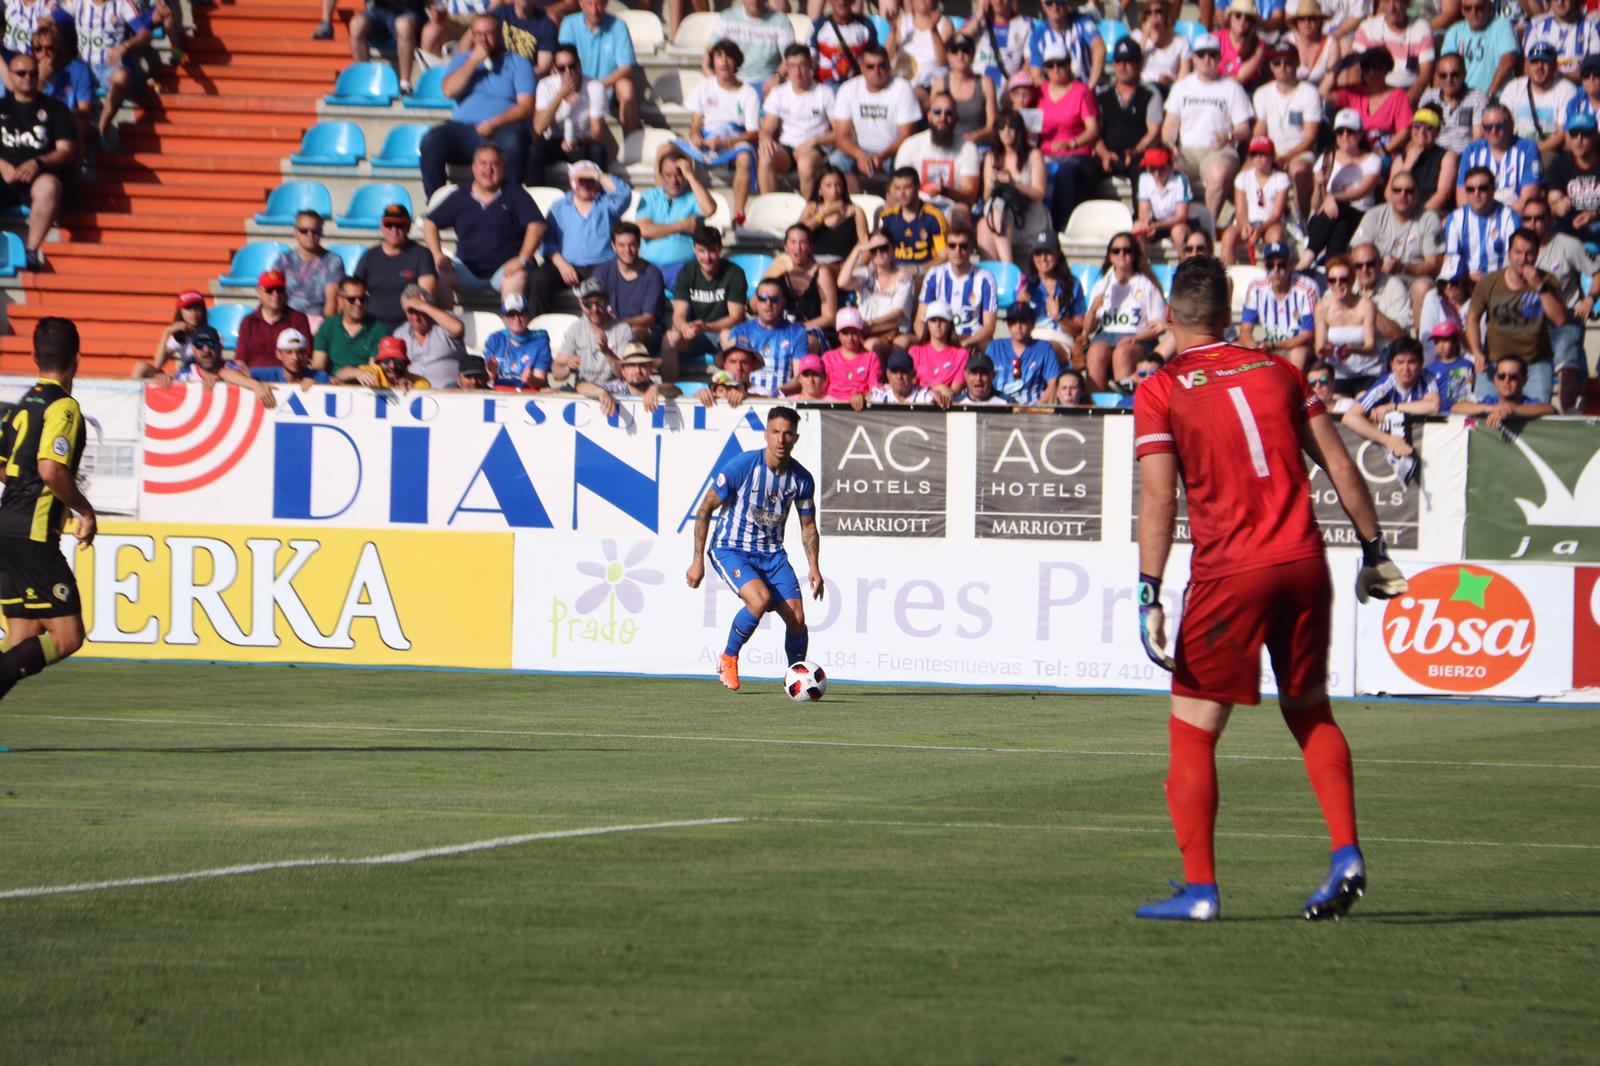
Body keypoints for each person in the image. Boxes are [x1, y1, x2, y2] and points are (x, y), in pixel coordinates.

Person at [1131, 253, 1407, 923]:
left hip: (1233, 571)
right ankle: (1345, 852)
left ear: (1171, 316)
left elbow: (1160, 499)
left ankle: (1200, 891)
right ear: (1230, 315)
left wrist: (1149, 590)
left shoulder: (1161, 387)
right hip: (1306, 562)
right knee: (1310, 710)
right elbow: (1340, 461)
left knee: (1193, 731)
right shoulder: (1281, 370)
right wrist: (1374, 552)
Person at [685, 406, 823, 692]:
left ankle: (795, 677)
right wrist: (697, 560)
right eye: (775, 432)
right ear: (766, 434)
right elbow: (705, 508)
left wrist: (814, 567)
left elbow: (808, 526)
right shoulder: (743, 466)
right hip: (731, 548)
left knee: (797, 618)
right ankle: (728, 657)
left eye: (787, 434)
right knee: (758, 600)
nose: (781, 439)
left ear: (796, 437)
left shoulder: (801, 479)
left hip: (772, 554)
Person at [0, 317, 99, 703]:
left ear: (33, 356)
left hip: (6, 527)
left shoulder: (21, 406)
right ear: (77, 358)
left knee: (21, 638)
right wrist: (84, 511)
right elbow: (51, 469)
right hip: (33, 533)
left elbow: (6, 469)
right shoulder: (64, 407)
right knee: (68, 636)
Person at [419, 14, 536, 200]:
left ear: (499, 34)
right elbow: (448, 90)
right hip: (463, 129)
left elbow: (526, 106)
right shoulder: (461, 60)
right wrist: (473, 61)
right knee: (432, 141)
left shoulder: (517, 62)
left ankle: (509, 203)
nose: (483, 39)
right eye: (478, 34)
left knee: (516, 142)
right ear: (472, 36)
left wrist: (495, 123)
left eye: (489, 33)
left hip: (502, 130)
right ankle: (436, 203)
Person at [424, 142, 545, 309]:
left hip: (506, 269)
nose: (488, 169)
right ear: (474, 168)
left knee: (517, 277)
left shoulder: (515, 193)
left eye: (494, 163)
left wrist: (523, 259)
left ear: (503, 168)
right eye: (483, 163)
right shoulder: (460, 195)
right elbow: (430, 222)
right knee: (436, 275)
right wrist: (437, 254)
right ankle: (446, 331)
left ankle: (511, 333)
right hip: (467, 269)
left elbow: (537, 225)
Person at [1162, 34, 1253, 232]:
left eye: (1212, 54)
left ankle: (1206, 228)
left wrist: (1229, 136)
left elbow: (1244, 128)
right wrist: (1169, 144)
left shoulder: (1232, 88)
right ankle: (1173, 225)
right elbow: (1170, 124)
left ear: (1219, 58)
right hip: (1187, 150)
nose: (1206, 59)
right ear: (1194, 58)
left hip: (1219, 151)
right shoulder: (1181, 87)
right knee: (1166, 166)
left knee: (1218, 173)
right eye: (1201, 54)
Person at [1465, 226, 1565, 404]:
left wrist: (1539, 286)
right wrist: (1476, 352)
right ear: (1509, 253)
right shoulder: (1489, 283)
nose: (1523, 259)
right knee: (1483, 411)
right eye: (1518, 252)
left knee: (1537, 415)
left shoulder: (1548, 280)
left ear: (1537, 253)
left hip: (1534, 363)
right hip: (1495, 363)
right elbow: (1472, 318)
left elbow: (1559, 319)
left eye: (1529, 253)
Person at [0, 51, 75, 272]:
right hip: (4, 176)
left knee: (49, 186)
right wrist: (2, 165)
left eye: (33, 73)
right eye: (21, 73)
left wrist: (38, 164)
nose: (27, 78)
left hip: (38, 177)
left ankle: (31, 250)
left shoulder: (55, 108)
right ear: (10, 76)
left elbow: (67, 150)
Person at [1524, 198, 1598, 412]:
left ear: (1549, 220)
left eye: (1539, 218)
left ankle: (1568, 413)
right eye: (1527, 219)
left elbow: (1597, 272)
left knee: (1566, 358)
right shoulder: (1518, 249)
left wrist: (1589, 299)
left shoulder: (1567, 244)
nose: (1533, 223)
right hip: (1532, 320)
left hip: (1565, 318)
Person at [530, 159, 632, 314]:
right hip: (568, 265)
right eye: (581, 180)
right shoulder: (559, 206)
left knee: (616, 279)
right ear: (572, 182)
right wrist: (562, 264)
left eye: (590, 180)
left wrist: (596, 174)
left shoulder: (608, 204)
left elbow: (624, 194)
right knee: (539, 278)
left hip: (602, 265)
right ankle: (537, 326)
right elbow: (548, 241)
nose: (586, 184)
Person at [675, 40, 761, 223]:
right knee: (667, 152)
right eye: (719, 56)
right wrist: (694, 135)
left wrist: (724, 142)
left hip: (733, 140)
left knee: (745, 157)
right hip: (707, 137)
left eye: (729, 56)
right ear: (713, 61)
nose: (724, 61)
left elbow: (753, 133)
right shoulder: (704, 87)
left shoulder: (748, 93)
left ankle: (738, 213)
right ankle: (675, 207)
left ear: (736, 62)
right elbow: (696, 121)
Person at [1352, 171, 1445, 325]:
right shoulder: (1374, 215)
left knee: (1423, 287)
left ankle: (1419, 344)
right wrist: (1376, 267)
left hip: (1412, 280)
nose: (1403, 195)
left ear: (1417, 194)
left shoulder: (1429, 219)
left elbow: (1434, 265)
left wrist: (1403, 267)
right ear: (1389, 193)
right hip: (1377, 276)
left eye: (1409, 191)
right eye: (1397, 190)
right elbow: (1354, 254)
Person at [1342, 337, 1440, 479]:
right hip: (1384, 455)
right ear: (1392, 364)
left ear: (1421, 364)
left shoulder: (1427, 378)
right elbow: (1349, 417)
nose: (1405, 368)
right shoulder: (1386, 384)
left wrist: (1393, 407)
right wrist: (1389, 441)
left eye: (1411, 362)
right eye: (1400, 362)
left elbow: (1433, 406)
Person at [829, 43, 921, 192]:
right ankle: (856, 205)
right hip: (860, 150)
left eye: (882, 66)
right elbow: (842, 136)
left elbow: (906, 135)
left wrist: (881, 156)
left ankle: (894, 209)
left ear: (889, 66)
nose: (877, 71)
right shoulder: (848, 89)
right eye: (871, 66)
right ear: (862, 68)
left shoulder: (902, 88)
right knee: (836, 161)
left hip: (893, 152)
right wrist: (860, 156)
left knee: (904, 164)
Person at [1081, 232, 1167, 392]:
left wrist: (1135, 338)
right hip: (1106, 335)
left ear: (1134, 255)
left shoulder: (1147, 284)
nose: (1121, 254)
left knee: (1122, 353)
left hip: (1139, 337)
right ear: (1110, 256)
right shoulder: (1102, 284)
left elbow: (1157, 329)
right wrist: (1093, 310)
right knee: (1095, 351)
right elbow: (1088, 329)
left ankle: (1124, 402)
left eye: (1127, 250)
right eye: (1116, 251)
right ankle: (1094, 404)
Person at [1298, 109, 1381, 267]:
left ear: (1360, 134)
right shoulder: (1327, 158)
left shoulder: (1372, 160)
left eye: (1350, 132)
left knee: (1341, 213)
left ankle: (1308, 258)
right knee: (1338, 220)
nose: (1345, 136)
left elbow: (1360, 192)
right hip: (1330, 214)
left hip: (1360, 213)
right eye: (1340, 132)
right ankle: (1329, 264)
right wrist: (1318, 184)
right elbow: (1317, 205)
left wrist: (1332, 197)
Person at [661, 225, 746, 374]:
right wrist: (685, 328)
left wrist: (706, 326)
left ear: (720, 249)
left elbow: (736, 318)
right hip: (696, 333)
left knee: (728, 336)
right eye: (701, 251)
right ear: (694, 249)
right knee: (670, 338)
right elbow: (678, 315)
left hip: (722, 332)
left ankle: (733, 389)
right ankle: (670, 392)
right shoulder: (687, 272)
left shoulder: (734, 273)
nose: (707, 257)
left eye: (712, 251)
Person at [759, 45, 837, 198]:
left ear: (810, 65)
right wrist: (766, 138)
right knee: (765, 155)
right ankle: (768, 208)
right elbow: (767, 127)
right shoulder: (779, 93)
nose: (797, 71)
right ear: (786, 67)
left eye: (802, 65)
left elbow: (839, 132)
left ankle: (807, 213)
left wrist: (813, 142)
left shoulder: (824, 93)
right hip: (788, 147)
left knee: (805, 164)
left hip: (816, 147)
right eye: (792, 66)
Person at [1037, 48, 1100, 233]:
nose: (1056, 69)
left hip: (1075, 153)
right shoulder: (1039, 92)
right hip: (1044, 153)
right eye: (1050, 65)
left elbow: (1093, 129)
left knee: (1067, 171)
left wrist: (1072, 143)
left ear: (1069, 65)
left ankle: (1063, 225)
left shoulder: (1082, 92)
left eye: (1061, 64)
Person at [893, 89, 981, 222]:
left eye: (949, 113)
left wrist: (945, 191)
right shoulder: (910, 145)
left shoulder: (968, 148)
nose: (943, 118)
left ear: (956, 118)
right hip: (915, 205)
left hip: (951, 208)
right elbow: (898, 186)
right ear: (929, 116)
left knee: (961, 212)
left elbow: (970, 195)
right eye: (937, 112)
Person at [976, 109, 1051, 263]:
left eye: (1012, 126)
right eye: (1001, 126)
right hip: (1000, 215)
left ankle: (1007, 266)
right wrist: (995, 184)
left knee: (996, 216)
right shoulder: (991, 158)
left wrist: (1013, 183)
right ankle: (993, 277)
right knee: (983, 225)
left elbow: (1039, 193)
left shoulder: (1033, 155)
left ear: (1020, 129)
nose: (1006, 131)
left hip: (1028, 215)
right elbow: (986, 196)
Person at [636, 151, 716, 289]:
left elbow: (710, 209)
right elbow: (643, 230)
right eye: (668, 175)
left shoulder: (694, 196)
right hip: (649, 267)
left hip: (683, 268)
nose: (674, 180)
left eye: (679, 174)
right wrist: (681, 226)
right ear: (661, 176)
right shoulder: (650, 196)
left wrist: (690, 175)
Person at [1094, 38, 1163, 197]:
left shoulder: (1150, 94)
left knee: (1143, 175)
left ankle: (1141, 219)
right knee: (1080, 171)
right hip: (1107, 154)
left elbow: (1154, 131)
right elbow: (1094, 132)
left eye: (1128, 61)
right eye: (1118, 61)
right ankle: (1077, 219)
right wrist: (1104, 154)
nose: (1122, 66)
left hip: (1139, 154)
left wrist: (1135, 151)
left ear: (1139, 64)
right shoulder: (1102, 95)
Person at [529, 44, 608, 181]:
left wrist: (577, 141)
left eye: (572, 66)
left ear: (579, 65)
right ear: (555, 69)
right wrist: (559, 96)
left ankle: (601, 196)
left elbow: (597, 132)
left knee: (598, 151)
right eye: (562, 68)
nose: (568, 72)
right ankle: (536, 196)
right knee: (534, 151)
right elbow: (538, 128)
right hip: (554, 140)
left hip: (582, 141)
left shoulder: (595, 87)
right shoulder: (545, 85)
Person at [355, 203, 439, 330]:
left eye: (400, 225)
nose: (394, 229)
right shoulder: (369, 257)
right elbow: (354, 290)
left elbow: (425, 297)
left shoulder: (421, 254)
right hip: (372, 326)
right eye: (389, 225)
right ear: (382, 226)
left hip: (409, 326)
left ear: (408, 227)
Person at [558, 0, 637, 134]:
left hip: (608, 90)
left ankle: (630, 145)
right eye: (589, 4)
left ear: (606, 3)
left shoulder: (618, 26)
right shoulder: (569, 24)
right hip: (576, 87)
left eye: (599, 3)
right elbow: (564, 62)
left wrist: (597, 87)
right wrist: (583, 88)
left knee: (626, 87)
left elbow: (626, 67)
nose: (595, 10)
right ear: (581, 4)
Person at [914, 224, 998, 351]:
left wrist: (964, 343)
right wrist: (934, 346)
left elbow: (989, 326)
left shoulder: (985, 279)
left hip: (971, 339)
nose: (957, 251)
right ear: (946, 249)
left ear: (972, 249)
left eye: (963, 246)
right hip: (939, 338)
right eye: (952, 246)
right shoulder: (934, 276)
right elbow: (919, 321)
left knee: (989, 346)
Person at [1238, 242, 1317, 367]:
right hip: (1269, 346)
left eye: (1281, 265)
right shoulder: (1256, 288)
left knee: (1298, 354)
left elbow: (1308, 335)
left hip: (1297, 347)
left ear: (1290, 265)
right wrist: (1256, 349)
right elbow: (1245, 332)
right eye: (1270, 265)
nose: (1276, 270)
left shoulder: (1307, 288)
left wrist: (1274, 345)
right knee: (1238, 348)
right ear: (1265, 266)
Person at [837, 231, 916, 354]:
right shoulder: (865, 274)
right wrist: (857, 249)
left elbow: (897, 313)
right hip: (865, 332)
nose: (878, 253)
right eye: (873, 249)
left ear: (893, 250)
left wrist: (871, 323)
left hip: (893, 332)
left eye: (884, 248)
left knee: (871, 345)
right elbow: (842, 282)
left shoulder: (904, 278)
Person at [725, 276, 810, 387]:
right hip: (747, 398)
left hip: (781, 399)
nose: (768, 303)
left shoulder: (797, 333)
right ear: (756, 301)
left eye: (775, 299)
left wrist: (776, 394)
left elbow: (799, 378)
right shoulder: (739, 331)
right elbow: (732, 374)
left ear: (783, 302)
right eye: (763, 298)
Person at [1313, 255, 1380, 395]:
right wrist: (1326, 350)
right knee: (1338, 405)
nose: (1338, 284)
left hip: (1368, 371)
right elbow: (1319, 348)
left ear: (1352, 281)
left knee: (1363, 403)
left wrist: (1352, 350)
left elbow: (1371, 346)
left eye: (1343, 279)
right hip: (1338, 374)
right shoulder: (1322, 308)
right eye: (1332, 280)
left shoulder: (1367, 306)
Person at [1500, 41, 1577, 162]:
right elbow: (1502, 124)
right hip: (1514, 150)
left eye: (1545, 62)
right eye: (1534, 62)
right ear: (1527, 65)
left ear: (1555, 66)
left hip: (1548, 152)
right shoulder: (1513, 87)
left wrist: (1531, 151)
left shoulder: (1567, 89)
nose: (1539, 67)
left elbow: (1561, 135)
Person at [592, 221, 666, 345]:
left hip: (646, 331)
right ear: (613, 246)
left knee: (632, 335)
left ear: (639, 245)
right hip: (610, 330)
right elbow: (589, 303)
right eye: (621, 245)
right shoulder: (602, 272)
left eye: (632, 245)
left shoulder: (653, 274)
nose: (627, 250)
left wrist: (615, 325)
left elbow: (649, 318)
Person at [765, 223, 837, 349]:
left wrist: (798, 329)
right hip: (780, 329)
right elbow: (753, 307)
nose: (797, 248)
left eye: (803, 242)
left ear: (810, 247)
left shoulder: (821, 273)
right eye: (793, 242)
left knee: (804, 342)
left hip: (812, 332)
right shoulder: (778, 270)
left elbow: (829, 317)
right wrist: (770, 277)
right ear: (785, 246)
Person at [1442, 166, 1521, 280]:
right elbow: (1451, 260)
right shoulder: (1455, 218)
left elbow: (1514, 261)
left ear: (1493, 189)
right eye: (1470, 189)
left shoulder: (1510, 218)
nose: (1476, 193)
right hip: (1465, 281)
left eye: (1483, 188)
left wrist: (1487, 282)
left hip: (1500, 281)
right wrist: (1471, 278)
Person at [1331, 48, 1413, 157]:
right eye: (1367, 68)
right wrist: (1341, 66)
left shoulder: (1399, 95)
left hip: (1385, 153)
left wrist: (1381, 152)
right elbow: (1324, 92)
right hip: (1354, 150)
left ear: (1387, 69)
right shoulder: (1354, 92)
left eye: (1377, 67)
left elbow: (1404, 132)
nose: (1372, 72)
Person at [553, 276, 633, 387]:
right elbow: (556, 373)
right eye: (588, 304)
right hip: (584, 388)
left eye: (599, 303)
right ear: (580, 304)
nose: (594, 309)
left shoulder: (623, 329)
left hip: (615, 389)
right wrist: (568, 368)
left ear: (608, 301)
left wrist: (607, 352)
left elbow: (626, 375)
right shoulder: (575, 329)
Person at [1221, 138, 1289, 264]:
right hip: (1247, 222)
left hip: (1270, 223)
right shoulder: (1242, 177)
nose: (1258, 158)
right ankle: (1227, 277)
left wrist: (1260, 229)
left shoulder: (1281, 178)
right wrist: (1246, 226)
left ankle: (1273, 272)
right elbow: (1240, 211)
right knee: (1228, 236)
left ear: (1272, 157)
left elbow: (1276, 214)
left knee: (1276, 236)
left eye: (1263, 154)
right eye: (1254, 155)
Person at [1353, 0, 1434, 101]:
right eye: (1387, 1)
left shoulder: (1422, 28)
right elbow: (1356, 70)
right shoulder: (1367, 28)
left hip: (1410, 91)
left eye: (1397, 1)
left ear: (1408, 3)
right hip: (1377, 91)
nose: (1392, 8)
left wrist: (1404, 100)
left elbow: (1425, 75)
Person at [273, 210, 342, 327]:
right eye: (304, 231)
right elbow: (273, 294)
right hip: (287, 320)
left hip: (318, 321)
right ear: (295, 232)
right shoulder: (284, 260)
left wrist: (325, 331)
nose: (310, 235)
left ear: (321, 232)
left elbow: (332, 301)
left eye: (315, 231)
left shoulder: (333, 260)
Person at [234, 270, 314, 371]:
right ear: (259, 292)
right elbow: (240, 359)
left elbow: (305, 356)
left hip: (289, 380)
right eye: (269, 290)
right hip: (254, 380)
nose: (275, 295)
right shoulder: (248, 322)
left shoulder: (298, 319)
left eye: (279, 289)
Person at [708, 0, 795, 90]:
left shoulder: (781, 21)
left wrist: (777, 77)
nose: (755, 1)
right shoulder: (727, 18)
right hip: (732, 81)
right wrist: (713, 80)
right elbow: (709, 52)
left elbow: (790, 58)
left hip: (766, 83)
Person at [390, 284, 466, 387]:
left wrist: (423, 305)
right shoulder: (400, 334)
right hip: (413, 391)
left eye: (420, 311)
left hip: (449, 392)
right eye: (411, 311)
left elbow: (458, 328)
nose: (415, 317)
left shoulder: (444, 321)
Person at [930, 35, 997, 150]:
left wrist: (974, 136)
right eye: (955, 51)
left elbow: (992, 125)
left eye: (965, 50)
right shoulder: (939, 84)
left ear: (973, 55)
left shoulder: (985, 83)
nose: (960, 56)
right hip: (946, 144)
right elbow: (932, 119)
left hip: (977, 146)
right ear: (948, 56)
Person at [31, 23, 92, 150]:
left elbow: (85, 111)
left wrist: (58, 115)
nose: (44, 53)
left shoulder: (77, 69)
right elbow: (26, 106)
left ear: (58, 49)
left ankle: (75, 170)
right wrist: (41, 79)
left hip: (68, 120)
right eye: (38, 49)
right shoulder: (28, 71)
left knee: (78, 125)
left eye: (49, 48)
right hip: (37, 121)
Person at [578, 342, 681, 415]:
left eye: (643, 366)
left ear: (650, 369)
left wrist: (656, 388)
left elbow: (676, 390)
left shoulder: (657, 388)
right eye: (632, 365)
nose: (637, 370)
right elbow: (581, 387)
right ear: (623, 371)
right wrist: (601, 392)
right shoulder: (617, 388)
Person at [985, 303, 1060, 404]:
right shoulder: (995, 347)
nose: (1018, 327)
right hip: (1000, 407)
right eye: (1013, 322)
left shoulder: (1044, 348)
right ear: (1008, 324)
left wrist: (1037, 407)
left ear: (1032, 324)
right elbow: (984, 380)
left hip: (1033, 408)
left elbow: (1053, 382)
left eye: (1023, 321)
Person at [313, 277, 389, 377]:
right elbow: (318, 368)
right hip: (333, 386)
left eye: (362, 299)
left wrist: (351, 373)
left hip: (366, 387)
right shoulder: (327, 326)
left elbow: (374, 372)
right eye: (352, 299)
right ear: (340, 301)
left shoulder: (378, 329)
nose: (358, 303)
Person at [1450, 354, 1556, 426]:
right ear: (1495, 379)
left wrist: (1511, 410)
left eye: (1513, 376)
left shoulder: (1529, 403)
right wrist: (1493, 409)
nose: (1507, 381)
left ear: (1524, 380)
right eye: (1501, 376)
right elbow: (1456, 408)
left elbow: (1550, 409)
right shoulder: (1489, 402)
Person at [1546, 110, 1600, 249]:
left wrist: (1594, 214)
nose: (1579, 139)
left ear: (1595, 136)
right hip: (1569, 232)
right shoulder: (1560, 164)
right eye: (1574, 134)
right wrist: (1558, 206)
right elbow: (1553, 200)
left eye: (1585, 134)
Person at [1015, 232, 1085, 339]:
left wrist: (1059, 317)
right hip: (1032, 338)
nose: (1043, 258)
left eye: (1048, 253)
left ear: (1058, 255)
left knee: (1046, 348)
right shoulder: (1025, 285)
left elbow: (1078, 331)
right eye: (1038, 253)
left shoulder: (1073, 284)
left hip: (1061, 339)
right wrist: (1020, 307)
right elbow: (1016, 329)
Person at [1440, 0, 1517, 97]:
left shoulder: (1503, 26)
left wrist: (1489, 94)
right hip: (1461, 99)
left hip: (1495, 98)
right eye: (1468, 8)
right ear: (1462, 11)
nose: (1474, 12)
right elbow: (1443, 67)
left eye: (1479, 7)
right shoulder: (1454, 31)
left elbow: (1508, 60)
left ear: (1489, 7)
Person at [1390, 107, 1458, 215]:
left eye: (1428, 128)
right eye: (1417, 126)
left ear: (1437, 132)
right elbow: (1389, 193)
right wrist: (1407, 166)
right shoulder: (1401, 158)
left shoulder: (1447, 156)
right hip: (1402, 214)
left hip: (1431, 214)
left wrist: (1418, 217)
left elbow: (1443, 195)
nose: (1421, 132)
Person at [880, 166, 948, 272]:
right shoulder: (887, 218)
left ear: (917, 187)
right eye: (897, 188)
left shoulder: (934, 217)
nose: (902, 193)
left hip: (924, 273)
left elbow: (944, 256)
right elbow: (878, 252)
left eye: (907, 187)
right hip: (894, 272)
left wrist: (918, 269)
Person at [1417, 53, 1487, 156]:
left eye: (1454, 74)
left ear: (1464, 74)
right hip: (1432, 156)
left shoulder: (1477, 98)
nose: (1448, 79)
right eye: (1443, 75)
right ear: (1437, 77)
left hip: (1464, 156)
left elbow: (1478, 138)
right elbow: (1419, 133)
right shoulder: (1429, 97)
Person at [350, 0, 424, 96]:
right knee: (356, 25)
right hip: (379, 11)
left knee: (403, 25)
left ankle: (405, 84)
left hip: (409, 11)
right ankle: (364, 82)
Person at [800, 166, 869, 267]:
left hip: (843, 265)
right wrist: (823, 215)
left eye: (838, 185)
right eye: (828, 186)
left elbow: (865, 245)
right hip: (813, 263)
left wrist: (853, 266)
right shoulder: (812, 208)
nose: (834, 191)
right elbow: (799, 233)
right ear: (819, 189)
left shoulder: (855, 211)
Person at [884, 0, 952, 103]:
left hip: (928, 86)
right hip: (900, 83)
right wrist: (893, 30)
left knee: (908, 98)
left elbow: (942, 60)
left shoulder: (945, 24)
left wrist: (933, 30)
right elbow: (886, 57)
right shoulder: (902, 21)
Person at [1350, 241, 1416, 345]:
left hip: (1385, 354)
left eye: (1370, 264)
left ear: (1380, 264)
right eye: (1358, 265)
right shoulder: (1343, 284)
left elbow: (1400, 336)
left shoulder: (1394, 286)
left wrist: (1369, 309)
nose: (1364, 270)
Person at [1135, 144, 1195, 259]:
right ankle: (1142, 268)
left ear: (1170, 165)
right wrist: (1146, 225)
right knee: (1138, 228)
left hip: (1179, 223)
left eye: (1161, 168)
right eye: (1152, 169)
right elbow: (1143, 212)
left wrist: (1157, 226)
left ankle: (1186, 267)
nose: (1156, 174)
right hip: (1157, 223)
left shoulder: (1181, 180)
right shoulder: (1144, 178)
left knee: (1178, 232)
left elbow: (1181, 216)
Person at [483, 293, 553, 389]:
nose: (517, 319)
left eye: (521, 313)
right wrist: (492, 373)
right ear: (504, 318)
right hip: (499, 393)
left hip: (528, 393)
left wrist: (530, 379)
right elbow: (489, 381)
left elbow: (541, 381)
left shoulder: (540, 341)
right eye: (511, 315)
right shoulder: (495, 339)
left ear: (528, 315)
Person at [1526, 0, 1600, 83]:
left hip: (1579, 89)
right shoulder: (1536, 25)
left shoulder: (1592, 26)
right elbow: (1527, 65)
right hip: (1544, 86)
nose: (1560, 2)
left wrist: (1563, 76)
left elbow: (1594, 69)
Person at [820, 307, 883, 399]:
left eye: (854, 333)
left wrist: (862, 397)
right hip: (831, 405)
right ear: (838, 335)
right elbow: (821, 389)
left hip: (861, 408)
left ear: (860, 334)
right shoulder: (828, 357)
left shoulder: (871, 358)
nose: (850, 338)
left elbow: (876, 389)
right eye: (845, 333)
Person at [810, 0, 876, 87]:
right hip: (826, 86)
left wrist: (893, 30)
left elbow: (875, 57)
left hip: (856, 85)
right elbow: (810, 60)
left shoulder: (866, 25)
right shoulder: (818, 26)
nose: (842, 2)